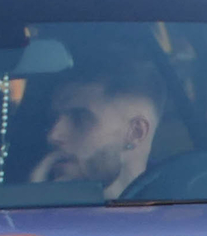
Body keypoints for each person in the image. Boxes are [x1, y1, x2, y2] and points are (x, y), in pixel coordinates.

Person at [32, 53, 164, 199]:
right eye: (53, 119)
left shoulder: (179, 214)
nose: (52, 136)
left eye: (79, 119)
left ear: (136, 133)